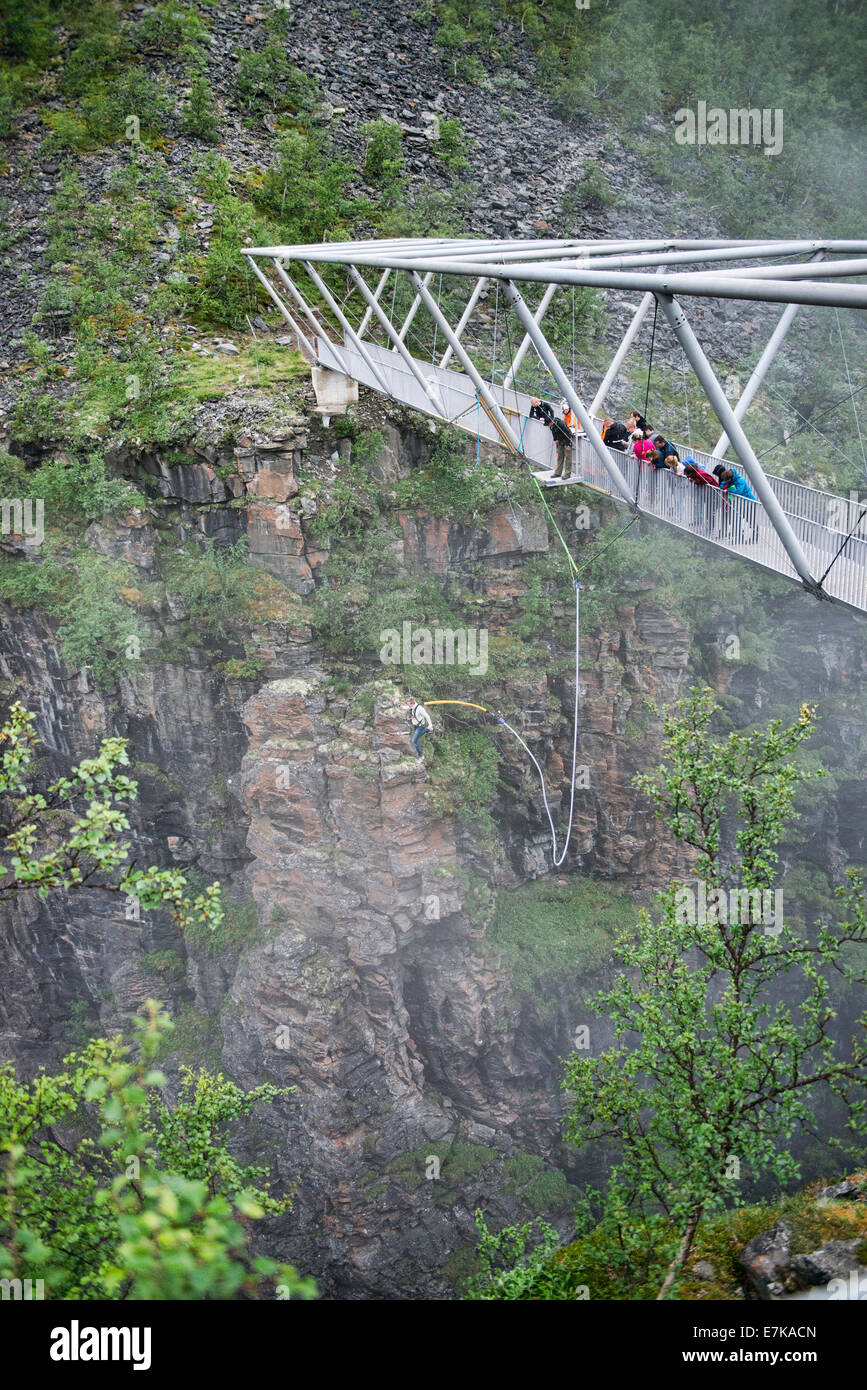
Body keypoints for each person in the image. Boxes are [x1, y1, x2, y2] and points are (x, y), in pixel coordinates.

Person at [529, 397, 575, 479]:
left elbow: (568, 432)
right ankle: (558, 473)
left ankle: (567, 474)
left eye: (548, 424)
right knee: (560, 456)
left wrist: (568, 444)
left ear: (552, 422)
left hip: (566, 440)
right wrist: (555, 440)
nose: (548, 426)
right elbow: (553, 432)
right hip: (560, 440)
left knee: (568, 457)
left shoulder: (560, 423)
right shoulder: (551, 426)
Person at [406, 697, 433, 762]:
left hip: (420, 726)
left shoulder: (420, 709)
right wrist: (399, 707)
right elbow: (407, 707)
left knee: (414, 741)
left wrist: (430, 724)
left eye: (408, 704)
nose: (408, 706)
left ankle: (421, 756)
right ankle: (428, 729)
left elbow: (427, 716)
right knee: (416, 738)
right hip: (415, 725)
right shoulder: (412, 707)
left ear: (412, 703)